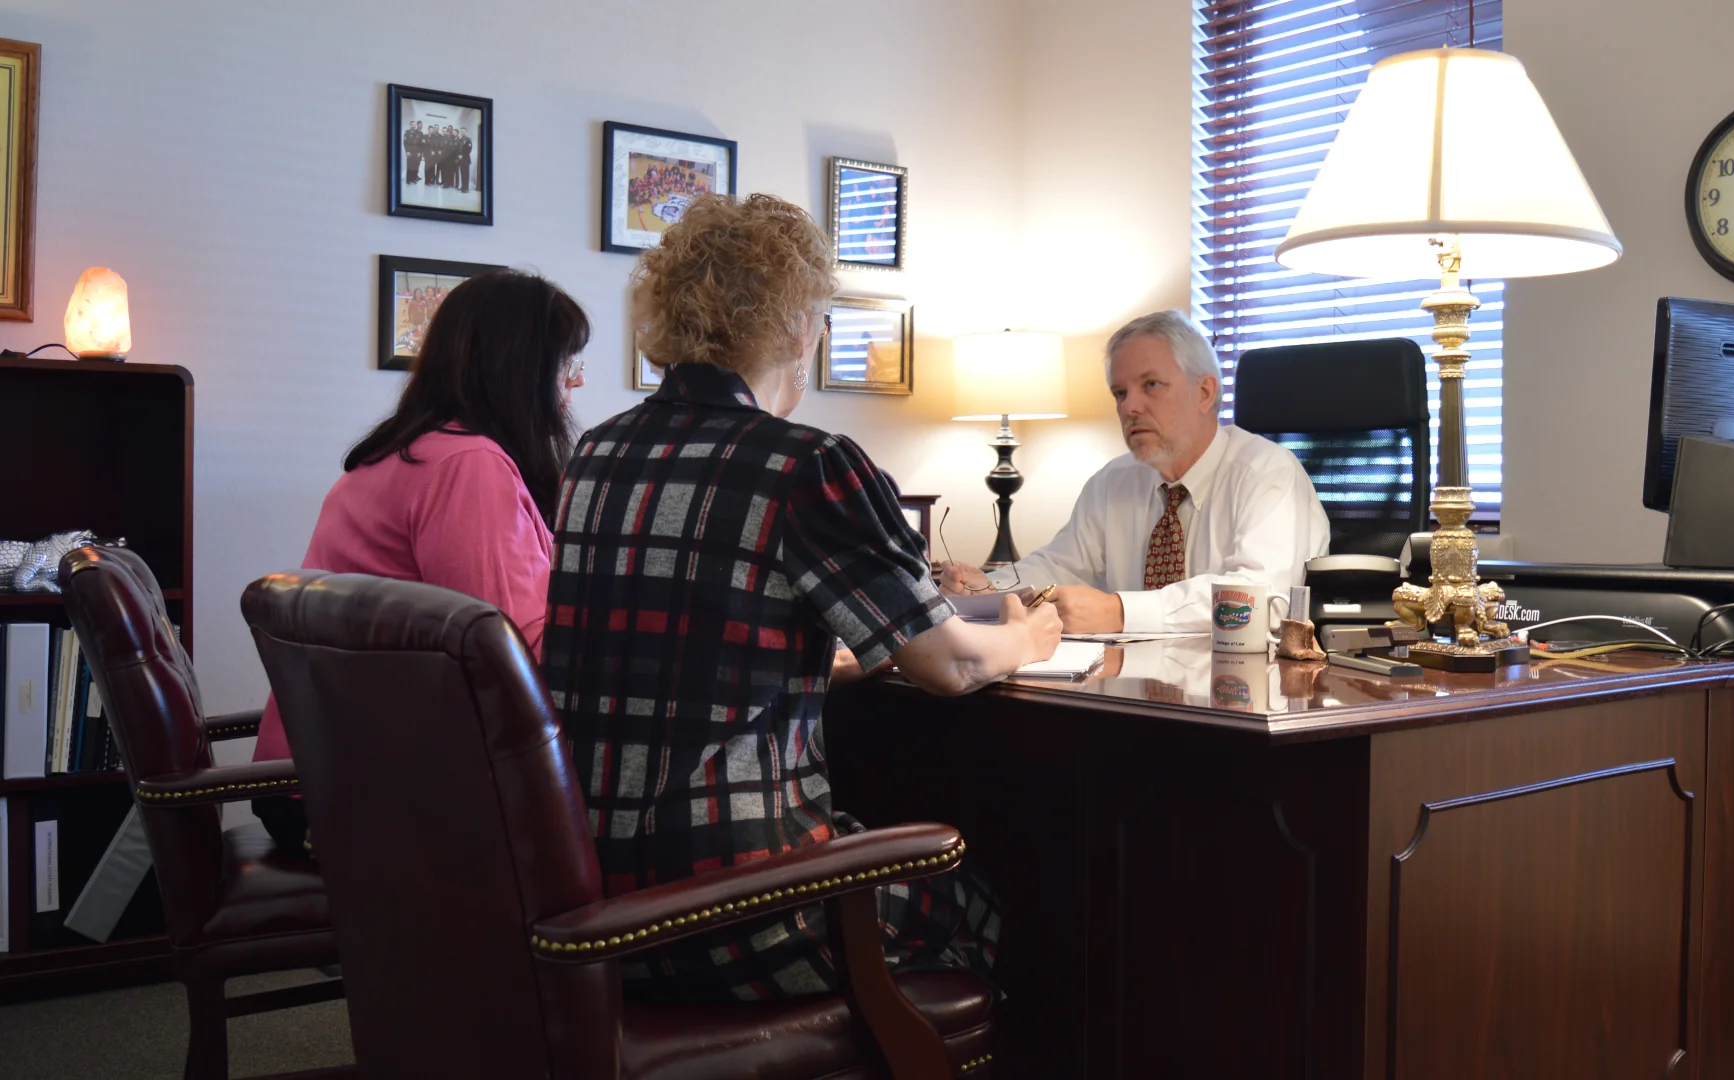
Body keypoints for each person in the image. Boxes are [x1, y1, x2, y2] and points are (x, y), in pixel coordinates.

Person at [543, 192, 1060, 1003]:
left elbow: (677, 659)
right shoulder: (806, 464)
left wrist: (820, 669)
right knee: (1014, 902)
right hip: (740, 909)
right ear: (798, 326)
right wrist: (1030, 639)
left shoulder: (597, 451)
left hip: (589, 900)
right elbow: (951, 665)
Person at [250, 269, 589, 853]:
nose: (575, 384)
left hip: (316, 777)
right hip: (367, 791)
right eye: (565, 366)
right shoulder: (468, 466)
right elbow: (510, 653)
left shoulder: (399, 452)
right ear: (521, 369)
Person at [942, 310, 1330, 633]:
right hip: (1129, 689)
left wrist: (1120, 612)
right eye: (1120, 393)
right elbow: (1060, 564)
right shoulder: (1113, 481)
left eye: (1151, 385)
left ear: (1205, 393)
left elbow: (1258, 599)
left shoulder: (1267, 473)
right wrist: (991, 587)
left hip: (1243, 693)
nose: (1130, 407)